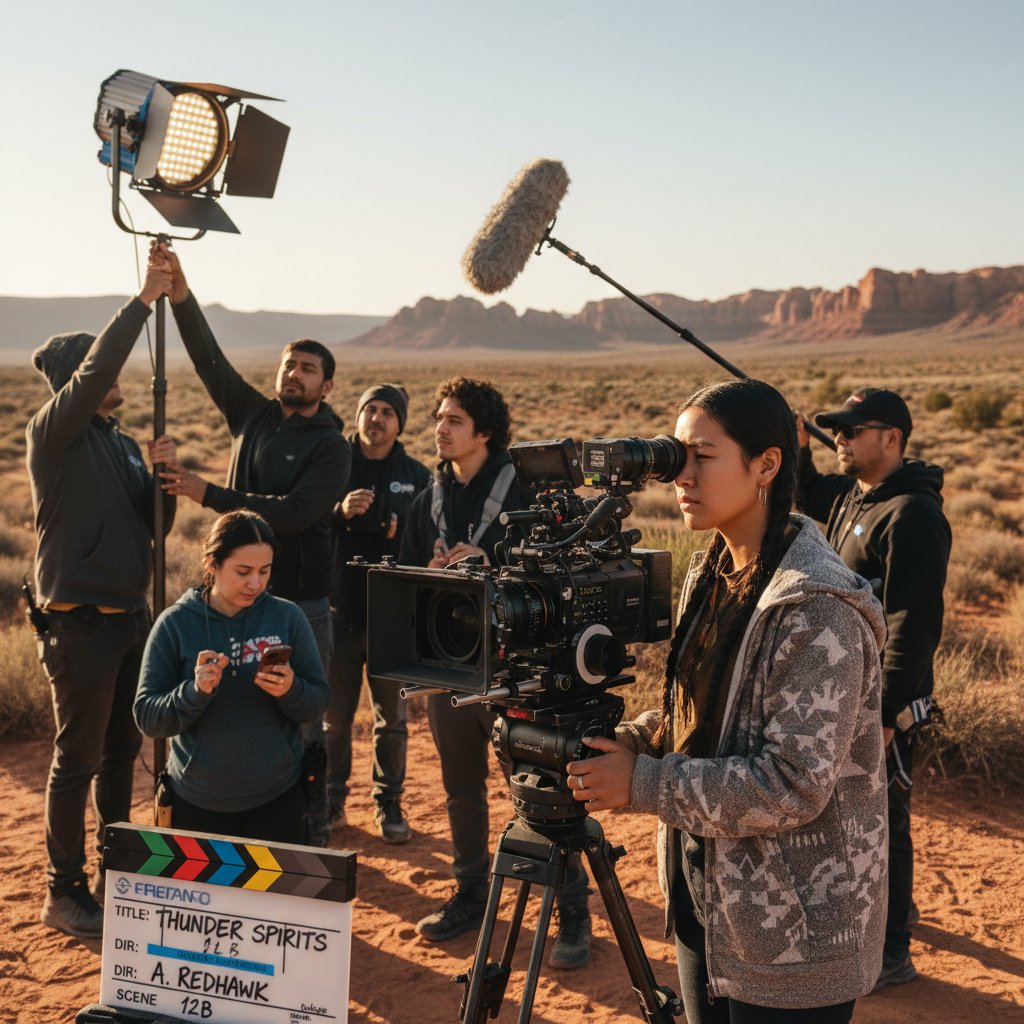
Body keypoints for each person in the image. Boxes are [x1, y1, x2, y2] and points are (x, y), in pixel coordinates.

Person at [566, 378, 888, 1022]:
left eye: (702, 456)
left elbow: (792, 783)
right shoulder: (712, 568)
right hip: (710, 899)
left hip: (796, 936)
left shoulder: (816, 608)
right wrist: (624, 742)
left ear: (766, 465)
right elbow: (699, 717)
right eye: (675, 456)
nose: (680, 476)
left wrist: (643, 782)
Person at [157, 243, 351, 844]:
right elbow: (209, 360)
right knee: (226, 705)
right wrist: (181, 294)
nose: (295, 373)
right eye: (290, 364)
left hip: (299, 604)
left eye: (308, 368)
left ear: (325, 385)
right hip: (230, 601)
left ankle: (309, 828)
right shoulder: (252, 415)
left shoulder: (331, 446)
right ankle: (227, 815)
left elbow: (294, 515)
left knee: (300, 712)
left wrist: (208, 492)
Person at [399, 376, 593, 969]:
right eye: (438, 417)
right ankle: (470, 894)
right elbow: (403, 579)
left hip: (519, 672)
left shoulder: (526, 494)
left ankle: (572, 911)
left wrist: (494, 560)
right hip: (451, 669)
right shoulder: (427, 501)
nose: (440, 428)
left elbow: (564, 570)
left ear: (484, 431)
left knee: (540, 792)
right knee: (461, 789)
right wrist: (429, 570)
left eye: (453, 419)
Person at [27, 253, 177, 938]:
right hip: (80, 625)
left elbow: (155, 529)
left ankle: (117, 873)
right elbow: (94, 372)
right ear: (78, 380)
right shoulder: (52, 434)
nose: (116, 376)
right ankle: (64, 892)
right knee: (78, 761)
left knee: (121, 754)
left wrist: (164, 481)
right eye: (99, 369)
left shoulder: (117, 442)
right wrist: (143, 301)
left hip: (130, 619)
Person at [792, 387, 951, 991]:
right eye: (836, 429)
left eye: (853, 430)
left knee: (885, 820)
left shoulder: (912, 515)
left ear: (892, 438)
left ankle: (891, 952)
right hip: (847, 694)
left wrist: (885, 713)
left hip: (883, 704)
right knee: (858, 815)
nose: (841, 438)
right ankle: (888, 915)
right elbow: (808, 494)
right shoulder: (856, 495)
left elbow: (914, 623)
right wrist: (799, 449)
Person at [134, 510, 329, 844]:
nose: (255, 584)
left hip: (279, 799)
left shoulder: (287, 617)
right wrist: (194, 691)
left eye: (264, 571)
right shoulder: (175, 624)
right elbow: (148, 718)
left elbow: (317, 702)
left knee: (275, 882)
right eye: (243, 571)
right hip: (197, 802)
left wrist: (291, 689)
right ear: (212, 564)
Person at [326, 383, 430, 842]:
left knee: (392, 721)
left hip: (392, 618)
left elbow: (428, 542)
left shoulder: (418, 475)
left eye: (388, 411)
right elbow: (306, 525)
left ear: (399, 423)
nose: (378, 418)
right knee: (334, 720)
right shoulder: (333, 463)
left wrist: (400, 530)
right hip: (338, 613)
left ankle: (389, 803)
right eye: (370, 409)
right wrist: (339, 513)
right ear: (358, 415)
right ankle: (330, 802)